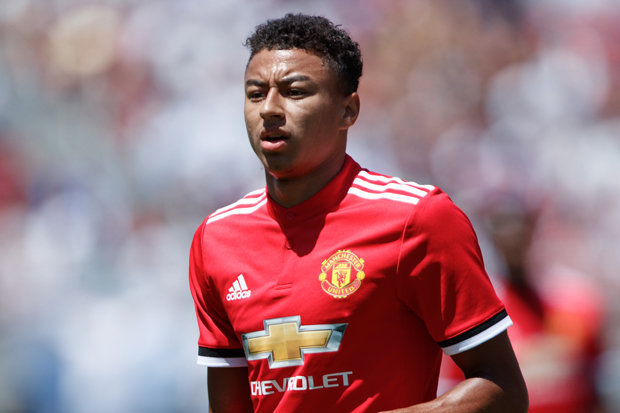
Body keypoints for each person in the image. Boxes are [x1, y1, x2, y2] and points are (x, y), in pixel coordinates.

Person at [189, 13, 528, 413]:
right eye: (255, 93)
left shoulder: (417, 219)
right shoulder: (216, 239)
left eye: (294, 92)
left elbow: (504, 390)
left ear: (348, 111)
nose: (269, 109)